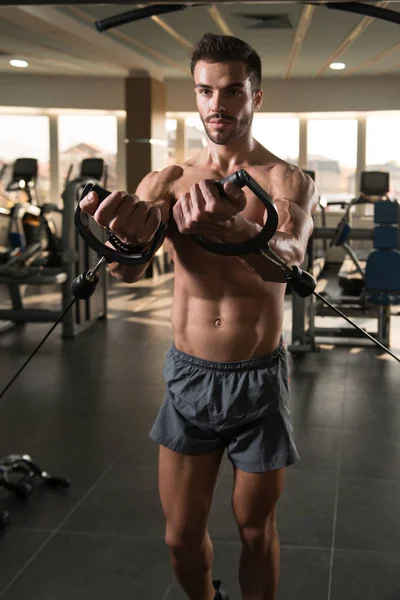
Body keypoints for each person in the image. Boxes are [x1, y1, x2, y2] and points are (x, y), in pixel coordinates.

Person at [80, 33, 318, 600]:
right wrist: (119, 243)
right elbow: (130, 271)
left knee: (256, 529)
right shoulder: (165, 182)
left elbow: (290, 259)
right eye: (206, 91)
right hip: (189, 375)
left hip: (257, 377)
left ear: (256, 96)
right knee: (180, 538)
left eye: (233, 90)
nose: (218, 104)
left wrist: (238, 231)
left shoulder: (287, 181)